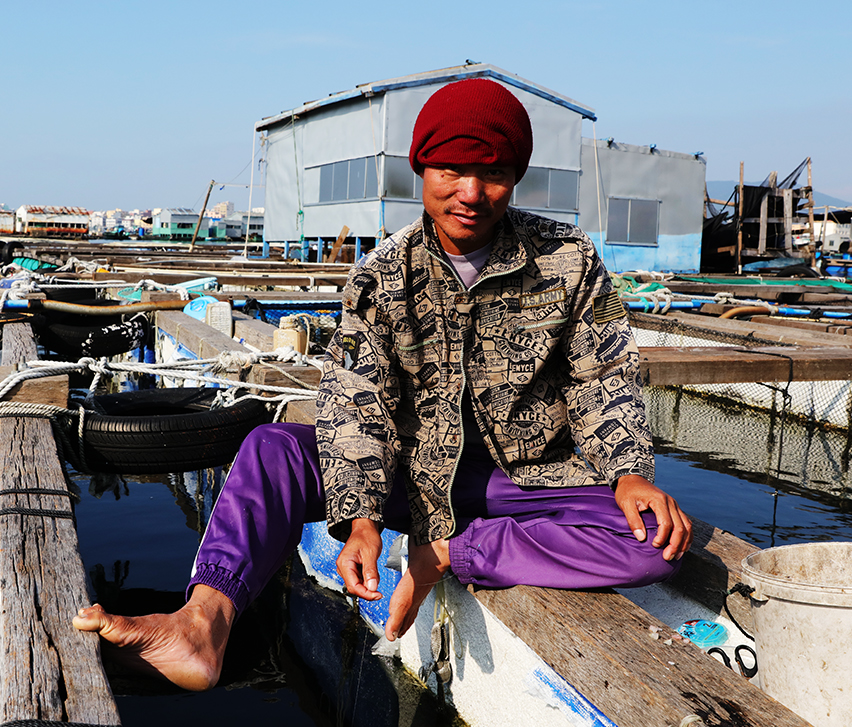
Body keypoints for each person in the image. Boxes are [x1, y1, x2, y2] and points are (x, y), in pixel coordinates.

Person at [74, 78, 692, 691]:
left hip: (521, 479)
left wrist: (629, 471)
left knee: (658, 542)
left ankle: (457, 551)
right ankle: (202, 626)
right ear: (421, 167)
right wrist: (361, 514)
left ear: (516, 176)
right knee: (272, 450)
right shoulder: (383, 274)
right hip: (412, 476)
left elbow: (603, 376)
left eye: (494, 172)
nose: (471, 193)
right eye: (451, 169)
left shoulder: (568, 259)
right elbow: (358, 405)